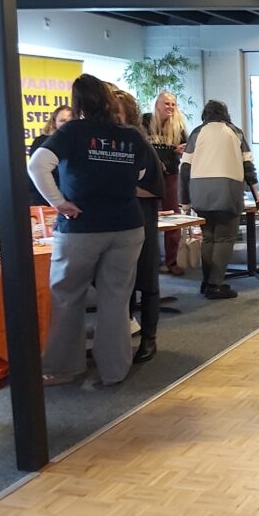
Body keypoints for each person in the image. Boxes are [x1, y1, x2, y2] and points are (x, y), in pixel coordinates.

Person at [28, 74, 147, 387]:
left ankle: (63, 368)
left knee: (68, 297)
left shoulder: (71, 131)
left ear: (77, 103)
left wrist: (58, 202)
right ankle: (115, 370)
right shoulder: (130, 135)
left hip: (81, 226)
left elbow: (37, 165)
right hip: (127, 225)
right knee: (116, 298)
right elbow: (141, 172)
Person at [179, 100, 258, 300]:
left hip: (200, 191)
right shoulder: (235, 132)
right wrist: (257, 196)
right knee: (224, 237)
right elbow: (248, 166)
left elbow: (185, 168)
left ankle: (207, 282)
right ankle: (215, 284)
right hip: (227, 189)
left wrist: (185, 201)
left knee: (208, 237)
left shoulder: (197, 133)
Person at [113, 89, 164, 363]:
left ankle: (149, 338)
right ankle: (120, 337)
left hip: (142, 221)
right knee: (122, 283)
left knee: (146, 278)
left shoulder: (141, 145)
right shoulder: (104, 144)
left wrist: (118, 188)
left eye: (116, 112)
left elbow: (155, 188)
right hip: (115, 224)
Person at [149, 91, 188, 276]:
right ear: (157, 104)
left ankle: (171, 261)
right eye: (166, 103)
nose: (170, 107)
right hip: (149, 177)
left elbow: (188, 146)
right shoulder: (145, 121)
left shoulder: (178, 125)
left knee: (173, 216)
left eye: (173, 104)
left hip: (170, 175)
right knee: (149, 217)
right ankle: (152, 261)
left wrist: (182, 149)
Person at [28, 105, 74, 206]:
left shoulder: (79, 142)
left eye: (71, 121)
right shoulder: (42, 141)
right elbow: (36, 168)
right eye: (62, 120)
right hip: (45, 198)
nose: (67, 124)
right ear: (54, 122)